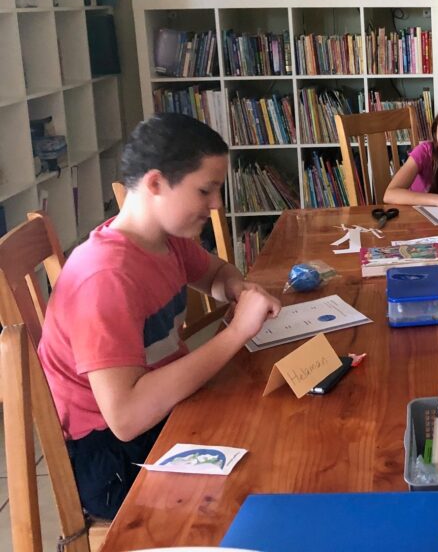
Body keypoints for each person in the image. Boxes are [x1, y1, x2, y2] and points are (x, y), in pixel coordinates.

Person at [37, 113, 281, 520]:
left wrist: (239, 289)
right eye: (206, 190)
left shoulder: (164, 239)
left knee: (275, 423)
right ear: (155, 183)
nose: (216, 204)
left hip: (159, 410)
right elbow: (127, 417)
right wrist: (238, 330)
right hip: (111, 457)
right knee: (263, 481)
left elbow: (217, 274)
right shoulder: (105, 278)